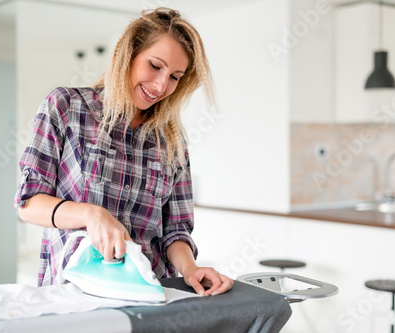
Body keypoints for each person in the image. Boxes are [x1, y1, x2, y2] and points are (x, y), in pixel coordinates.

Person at [14, 7, 233, 297]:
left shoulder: (171, 139)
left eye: (175, 77)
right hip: (73, 297)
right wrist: (92, 215)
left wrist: (190, 268)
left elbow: (175, 230)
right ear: (128, 55)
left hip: (150, 295)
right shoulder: (66, 108)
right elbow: (29, 204)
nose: (161, 86)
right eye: (155, 66)